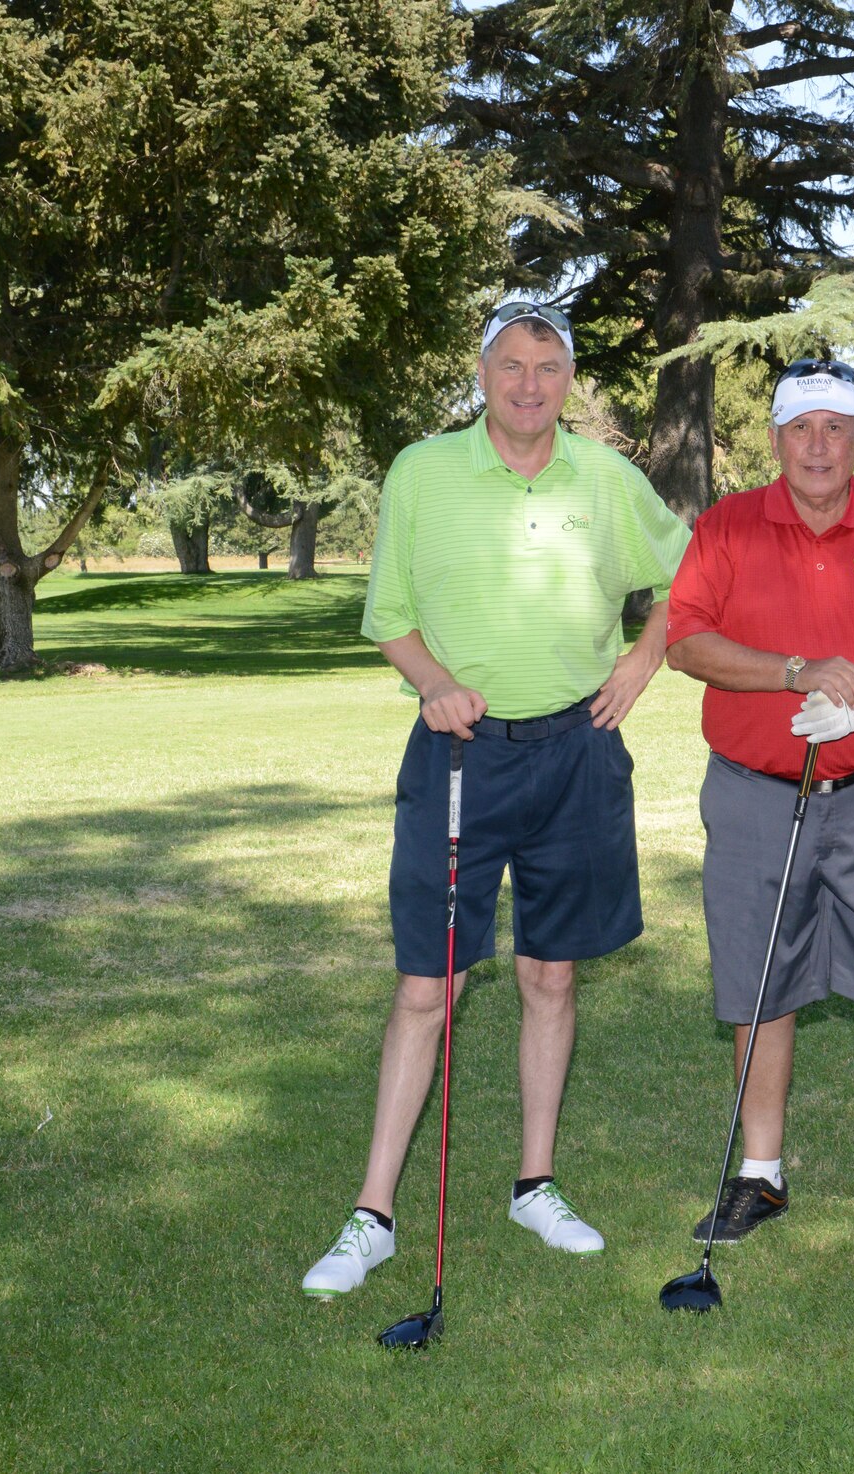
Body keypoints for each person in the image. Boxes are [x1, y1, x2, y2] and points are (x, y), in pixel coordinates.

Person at [302, 301, 691, 1297]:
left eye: (548, 367)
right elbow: (389, 615)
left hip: (578, 751)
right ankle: (373, 1213)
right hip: (458, 751)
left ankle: (534, 1183)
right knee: (428, 986)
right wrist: (431, 680)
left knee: (550, 977)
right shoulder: (423, 472)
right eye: (511, 365)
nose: (529, 385)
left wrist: (643, 662)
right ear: (481, 372)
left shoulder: (606, 478)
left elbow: (693, 576)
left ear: (569, 380)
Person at [664, 359, 854, 1251]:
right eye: (803, 428)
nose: (820, 445)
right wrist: (797, 670)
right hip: (757, 794)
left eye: (838, 427)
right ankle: (760, 1173)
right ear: (775, 442)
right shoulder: (727, 526)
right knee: (762, 986)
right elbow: (686, 643)